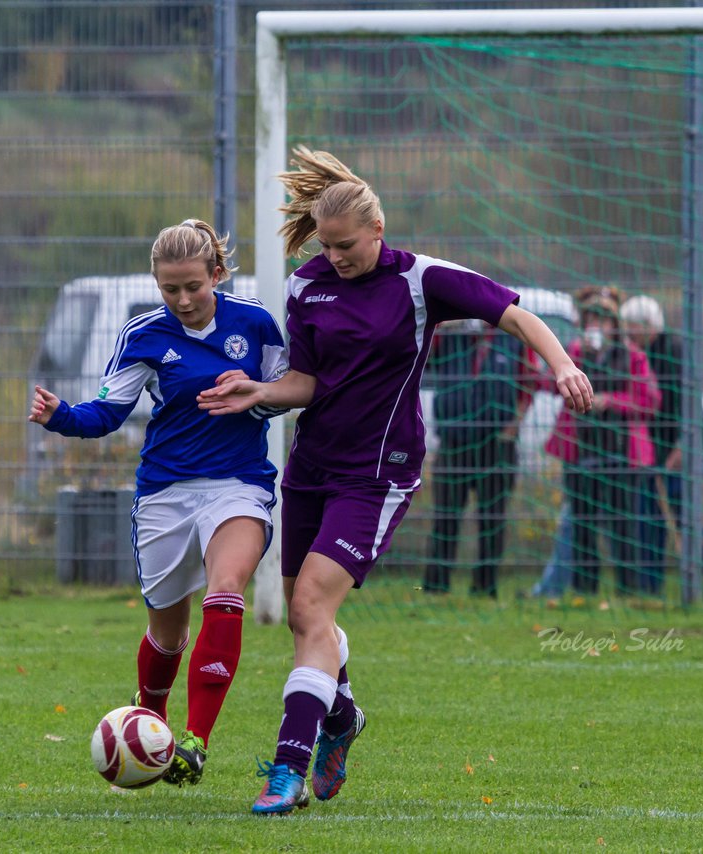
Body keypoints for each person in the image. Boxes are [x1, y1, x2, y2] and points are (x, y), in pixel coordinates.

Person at [196, 147, 593, 815]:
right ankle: (342, 716)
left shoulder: (422, 279)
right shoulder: (307, 285)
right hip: (312, 467)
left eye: (348, 245)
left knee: (310, 610)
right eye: (328, 246)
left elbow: (516, 314)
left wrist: (560, 365)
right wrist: (257, 391)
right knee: (302, 616)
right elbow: (308, 381)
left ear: (378, 231)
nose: (338, 257)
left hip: (379, 474)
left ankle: (287, 772)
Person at [29, 219, 288, 788]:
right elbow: (107, 412)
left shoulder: (256, 324)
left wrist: (254, 398)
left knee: (225, 592)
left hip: (238, 483)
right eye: (170, 288)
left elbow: (282, 394)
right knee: (167, 634)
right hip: (165, 494)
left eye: (193, 285)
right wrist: (62, 416)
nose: (183, 299)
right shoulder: (144, 334)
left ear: (216, 274)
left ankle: (194, 741)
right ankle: (151, 717)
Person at [620, 295, 703, 597]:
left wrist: (681, 448)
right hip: (653, 449)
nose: (628, 333)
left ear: (647, 325)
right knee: (649, 518)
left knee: (687, 520)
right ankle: (649, 587)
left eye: (632, 327)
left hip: (681, 446)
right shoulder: (639, 353)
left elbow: (687, 405)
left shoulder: (673, 351)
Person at [544, 286, 661, 597]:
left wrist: (611, 401)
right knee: (583, 527)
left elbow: (649, 400)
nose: (596, 326)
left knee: (624, 529)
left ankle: (629, 591)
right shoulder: (575, 353)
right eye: (590, 320)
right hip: (581, 455)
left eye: (603, 320)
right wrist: (567, 362)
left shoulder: (633, 357)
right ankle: (585, 591)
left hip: (621, 457)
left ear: (614, 325)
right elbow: (547, 383)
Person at [423, 319, 535, 598]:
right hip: (454, 442)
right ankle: (436, 587)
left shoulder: (513, 337)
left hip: (496, 445)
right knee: (445, 517)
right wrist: (444, 322)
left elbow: (530, 381)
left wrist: (513, 427)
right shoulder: (449, 334)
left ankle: (485, 587)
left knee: (492, 520)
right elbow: (421, 351)